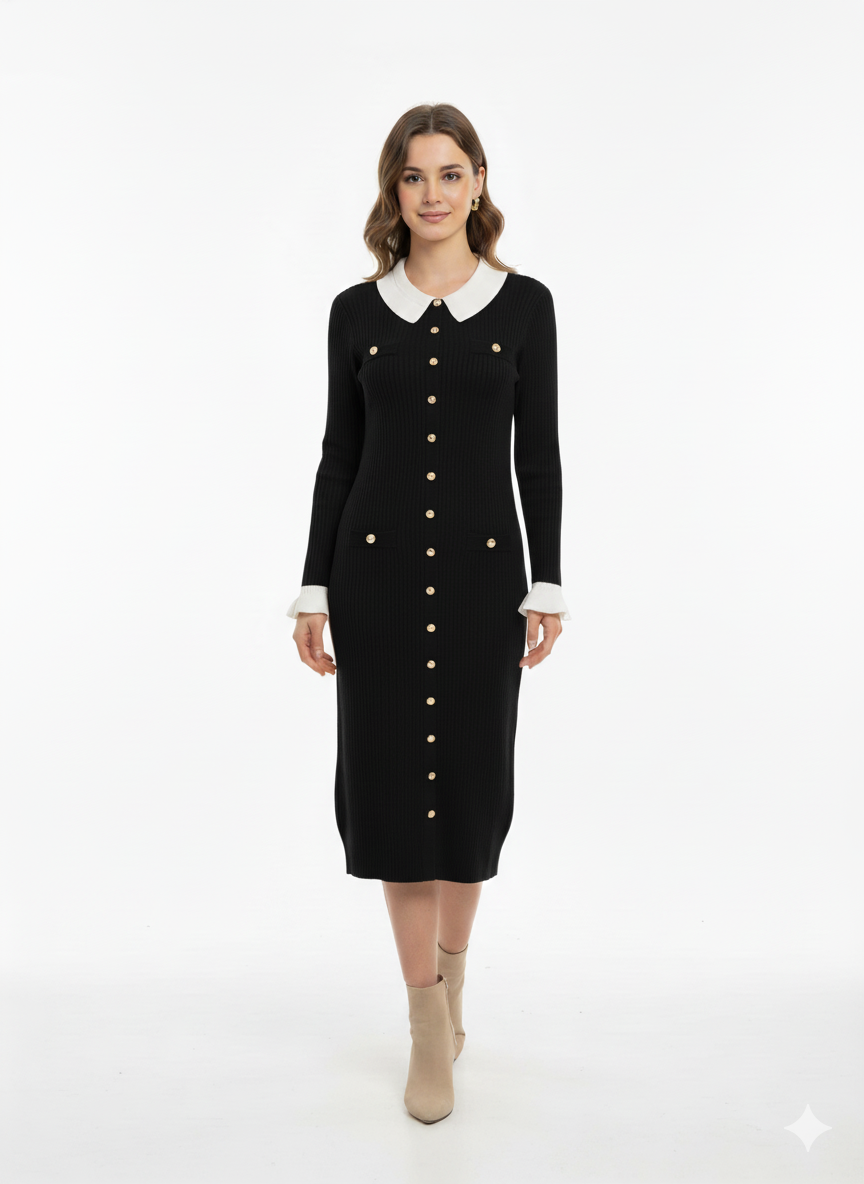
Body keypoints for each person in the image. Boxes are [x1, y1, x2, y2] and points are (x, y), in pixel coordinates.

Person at [287, 103, 571, 1123]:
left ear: (479, 181)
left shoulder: (525, 306)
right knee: (395, 799)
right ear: (394, 190)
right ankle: (422, 1019)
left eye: (452, 173)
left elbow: (538, 455)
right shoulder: (356, 313)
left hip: (488, 585)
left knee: (470, 797)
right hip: (376, 586)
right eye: (415, 176)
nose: (435, 193)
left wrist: (547, 581)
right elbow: (339, 456)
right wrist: (314, 587)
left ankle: (453, 981)